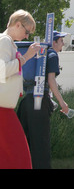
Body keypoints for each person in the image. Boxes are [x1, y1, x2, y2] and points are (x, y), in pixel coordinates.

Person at [17, 31, 69, 169]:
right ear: (54, 42)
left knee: (25, 143)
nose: (63, 43)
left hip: (26, 102)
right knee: (41, 146)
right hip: (39, 102)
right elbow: (51, 81)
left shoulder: (34, 53)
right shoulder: (51, 55)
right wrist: (62, 103)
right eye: (61, 40)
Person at [0, 9, 40, 169]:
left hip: (4, 108)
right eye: (27, 31)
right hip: (2, 109)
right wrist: (25, 58)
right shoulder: (4, 41)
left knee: (9, 157)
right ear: (17, 24)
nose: (27, 36)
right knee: (19, 155)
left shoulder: (8, 42)